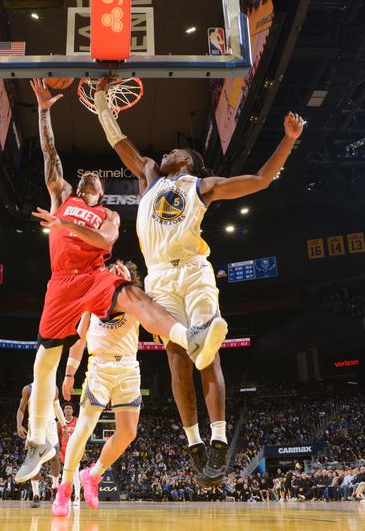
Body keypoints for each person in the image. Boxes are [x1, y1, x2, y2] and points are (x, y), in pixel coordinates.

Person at [93, 78, 304, 485]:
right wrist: (103, 103)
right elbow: (119, 141)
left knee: (207, 351)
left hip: (192, 269)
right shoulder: (151, 175)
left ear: (188, 161)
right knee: (177, 356)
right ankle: (193, 441)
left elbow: (260, 180)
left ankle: (220, 437)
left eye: (176, 150)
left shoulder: (200, 185)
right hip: (158, 276)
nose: (166, 151)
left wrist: (289, 139)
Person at [16, 79, 226, 483]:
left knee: (132, 294)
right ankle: (39, 443)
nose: (91, 176)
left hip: (93, 277)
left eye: (97, 178)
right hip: (60, 283)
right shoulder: (62, 196)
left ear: (103, 192)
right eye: (87, 176)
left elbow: (104, 241)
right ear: (80, 186)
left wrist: (64, 226)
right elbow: (50, 153)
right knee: (44, 363)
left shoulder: (109, 216)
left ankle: (189, 336)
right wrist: (44, 110)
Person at [53, 260, 142, 517]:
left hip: (128, 369)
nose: (117, 268)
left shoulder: (136, 299)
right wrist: (69, 373)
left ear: (129, 276)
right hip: (100, 367)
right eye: (113, 266)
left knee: (127, 433)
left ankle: (93, 475)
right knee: (82, 429)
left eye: (122, 267)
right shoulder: (92, 302)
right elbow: (78, 340)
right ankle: (66, 486)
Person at [16, 382, 65, 507]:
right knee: (34, 460)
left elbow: (57, 407)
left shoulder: (53, 387)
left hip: (50, 425)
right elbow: (21, 409)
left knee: (55, 458)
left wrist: (63, 424)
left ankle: (55, 487)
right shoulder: (28, 389)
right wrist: (19, 425)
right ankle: (36, 495)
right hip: (35, 426)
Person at [58, 402, 81, 507]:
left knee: (75, 472)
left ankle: (76, 496)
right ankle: (66, 497)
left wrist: (83, 450)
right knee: (66, 475)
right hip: (64, 450)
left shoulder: (77, 421)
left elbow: (82, 436)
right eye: (66, 408)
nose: (67, 409)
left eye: (69, 408)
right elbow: (57, 437)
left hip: (75, 450)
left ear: (72, 410)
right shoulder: (59, 423)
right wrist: (58, 451)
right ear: (63, 410)